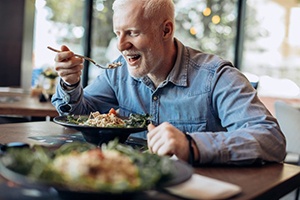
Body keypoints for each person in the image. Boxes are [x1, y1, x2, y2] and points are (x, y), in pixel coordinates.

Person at [51, 0, 286, 166]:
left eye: (132, 33)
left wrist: (192, 145)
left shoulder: (216, 77)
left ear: (166, 30)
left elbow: (271, 140)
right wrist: (71, 84)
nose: (121, 45)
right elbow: (80, 115)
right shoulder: (118, 72)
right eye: (117, 33)